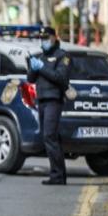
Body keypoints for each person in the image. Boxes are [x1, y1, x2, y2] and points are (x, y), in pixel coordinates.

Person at [28, 27, 70, 185]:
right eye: (42, 38)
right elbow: (31, 79)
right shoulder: (41, 56)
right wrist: (32, 67)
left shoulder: (62, 56)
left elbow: (60, 77)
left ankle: (57, 175)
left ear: (54, 37)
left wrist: (42, 68)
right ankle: (58, 174)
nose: (44, 40)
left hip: (54, 100)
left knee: (49, 136)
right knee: (51, 137)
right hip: (42, 100)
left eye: (46, 37)